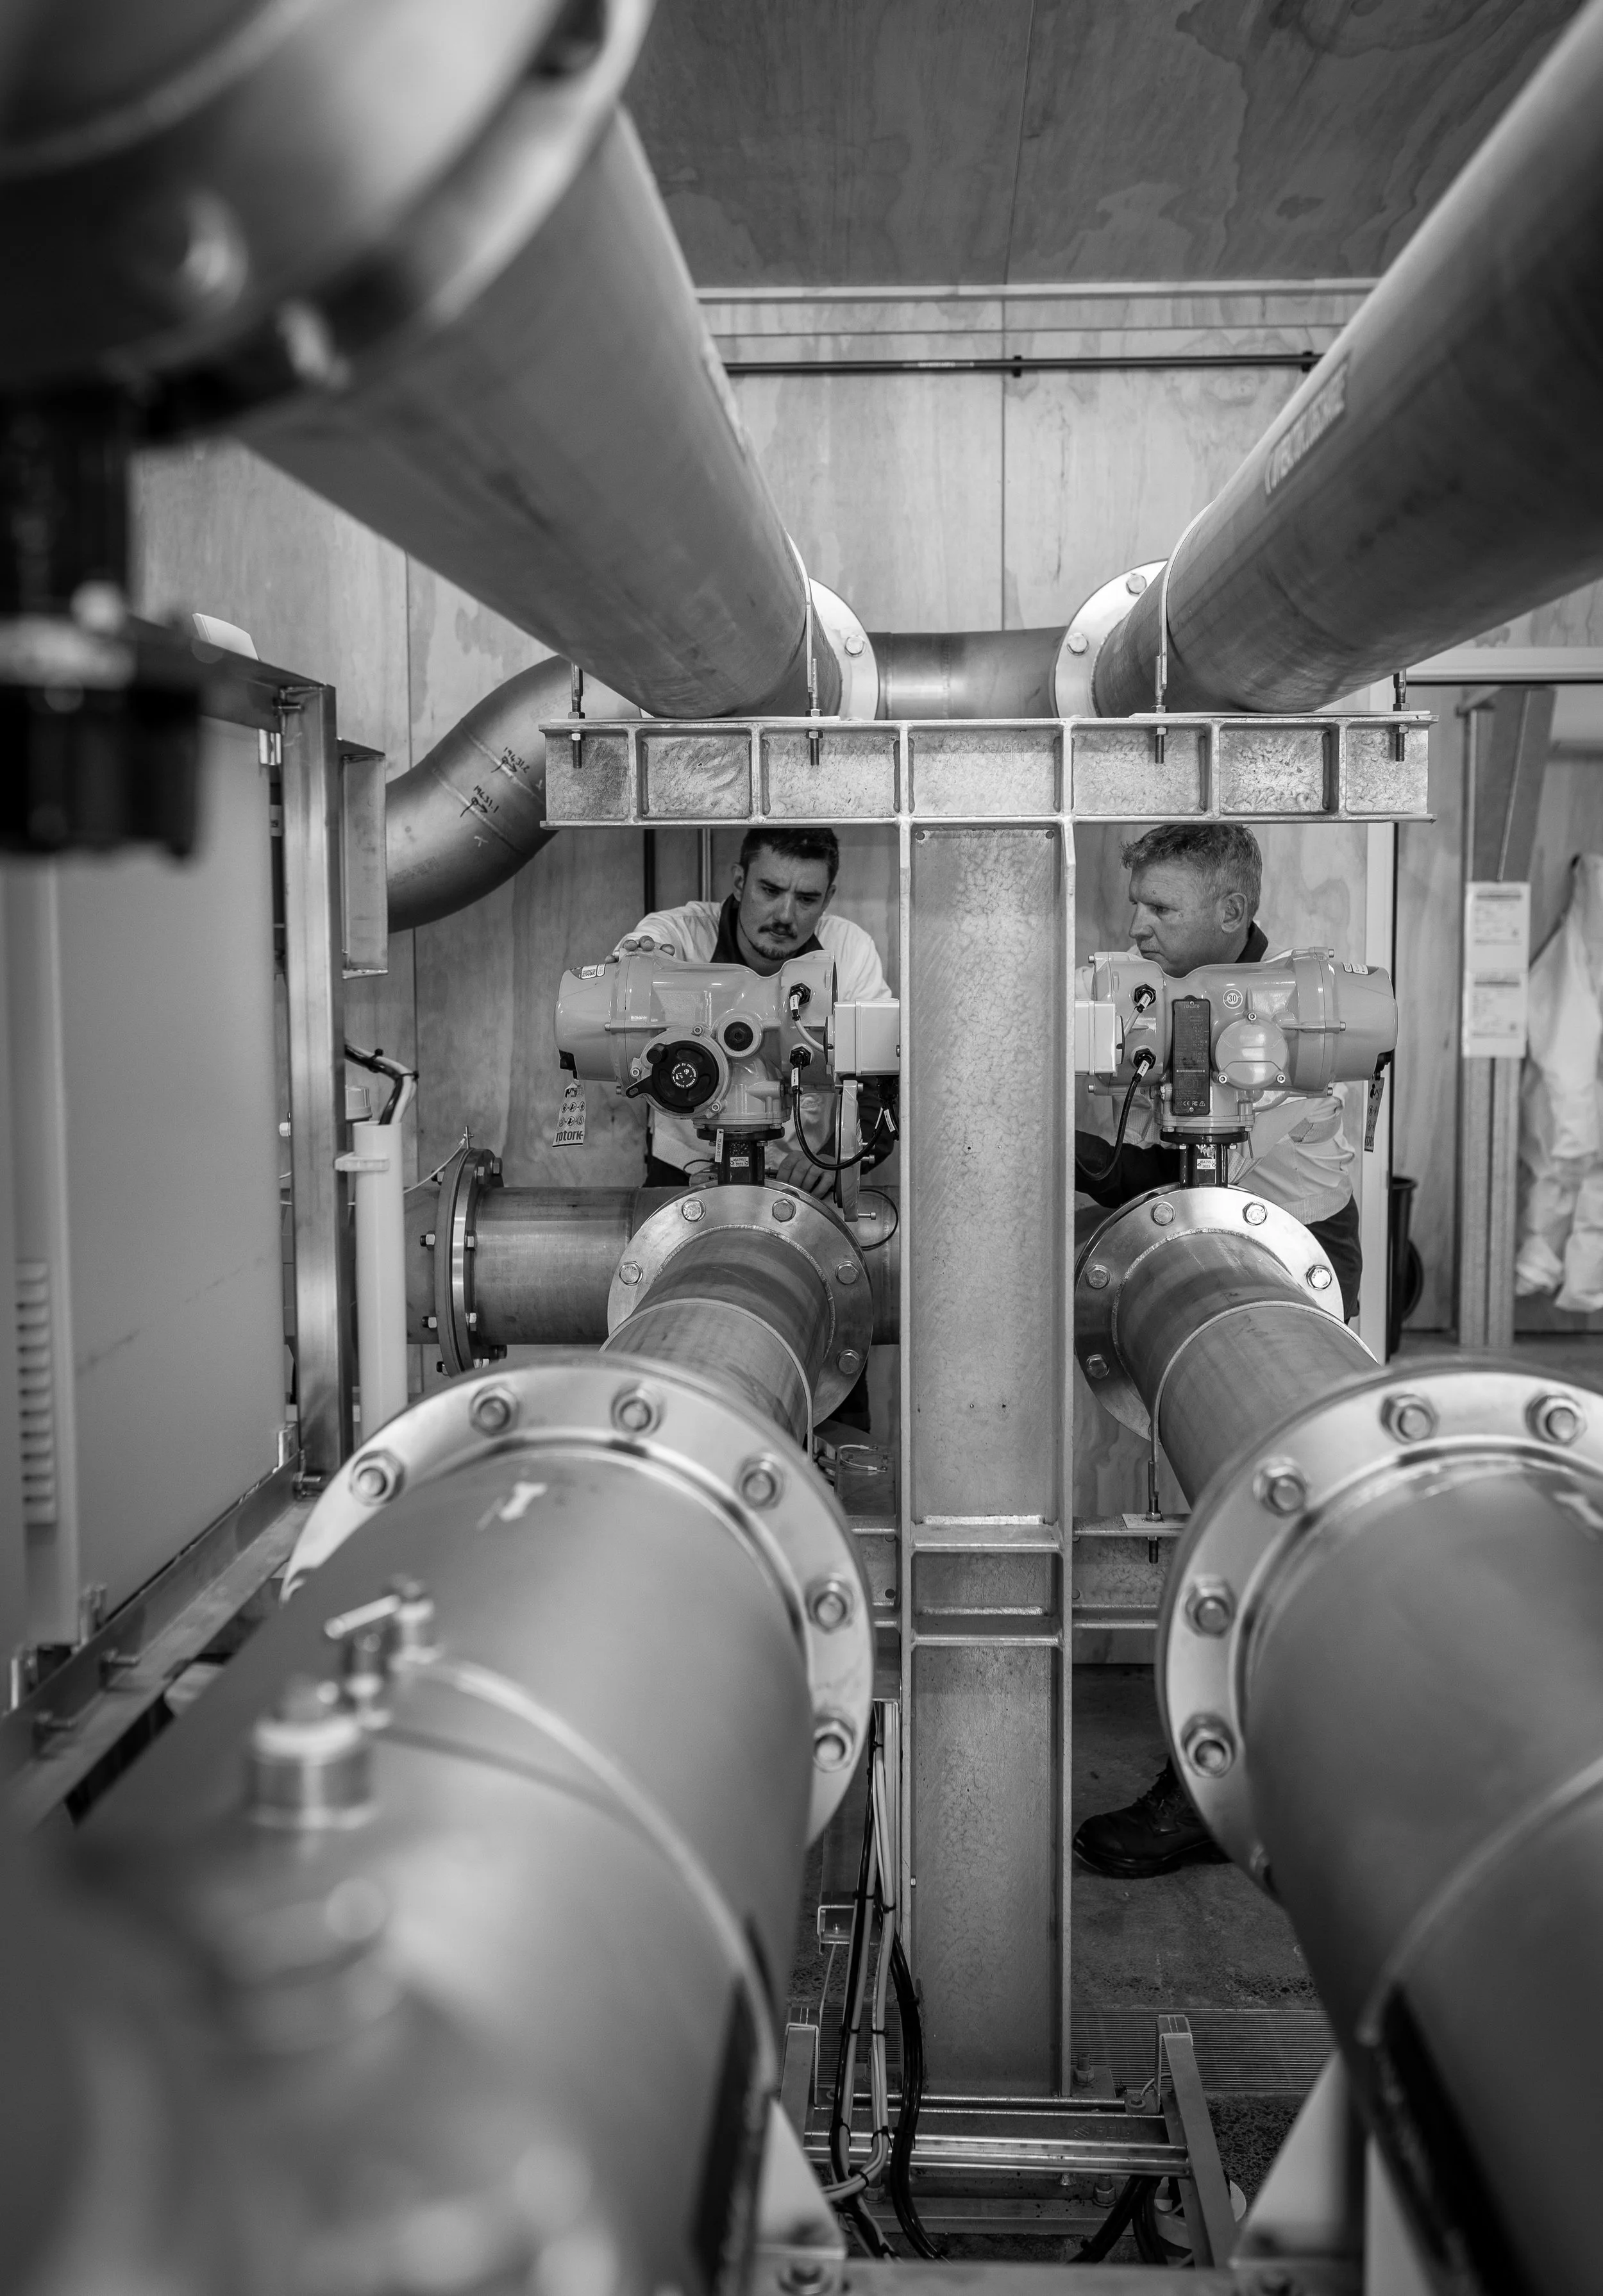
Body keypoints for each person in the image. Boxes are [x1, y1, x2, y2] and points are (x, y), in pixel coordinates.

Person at [1073, 821, 1362, 1879]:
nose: (1135, 923)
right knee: (1229, 1512)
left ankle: (1230, 1787)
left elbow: (1200, 1167)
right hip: (1192, 1240)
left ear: (1232, 914)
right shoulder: (1151, 986)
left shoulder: (1291, 1015)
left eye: (1160, 907)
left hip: (1273, 1263)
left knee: (1272, 1517)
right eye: (1136, 901)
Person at [616, 825, 895, 1433]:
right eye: (770, 889)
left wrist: (838, 1157)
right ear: (738, 882)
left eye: (808, 898)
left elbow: (878, 1083)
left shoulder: (847, 951)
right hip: (683, 1183)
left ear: (829, 897)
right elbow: (626, 986)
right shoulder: (676, 937)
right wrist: (636, 966)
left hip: (809, 1190)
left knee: (823, 1363)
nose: (785, 914)